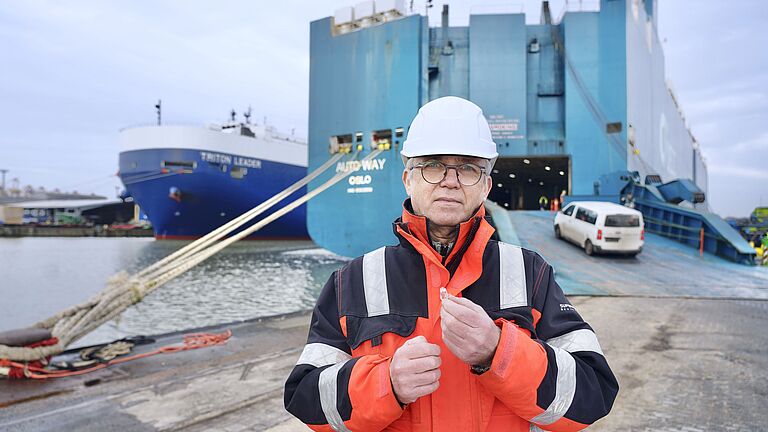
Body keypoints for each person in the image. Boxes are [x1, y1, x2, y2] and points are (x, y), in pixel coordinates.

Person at [284, 96, 618, 431]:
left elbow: (593, 395)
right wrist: (386, 383)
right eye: (432, 165)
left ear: (485, 186)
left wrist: (499, 353)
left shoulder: (530, 274)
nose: (450, 180)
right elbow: (307, 399)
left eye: (469, 168)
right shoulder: (351, 281)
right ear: (408, 179)